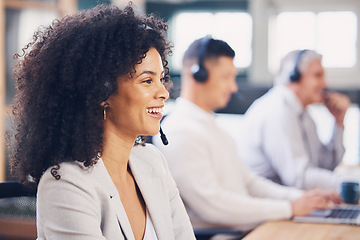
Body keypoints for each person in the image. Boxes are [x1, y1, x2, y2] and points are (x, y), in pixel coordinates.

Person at [8, 4, 195, 240]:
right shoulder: (66, 184)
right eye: (147, 81)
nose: (164, 92)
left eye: (161, 78)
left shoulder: (152, 161)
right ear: (101, 92)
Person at [153, 36, 341, 232]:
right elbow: (213, 205)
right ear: (198, 75)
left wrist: (300, 199)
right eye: (226, 77)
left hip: (248, 229)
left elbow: (250, 183)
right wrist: (289, 208)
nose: (233, 87)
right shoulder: (180, 132)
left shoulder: (213, 129)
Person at [239, 49, 350, 191]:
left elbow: (325, 166)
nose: (325, 84)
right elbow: (299, 179)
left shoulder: (303, 114)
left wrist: (339, 122)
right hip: (269, 207)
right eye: (318, 76)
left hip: (291, 203)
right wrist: (348, 184)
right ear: (294, 76)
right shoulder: (278, 111)